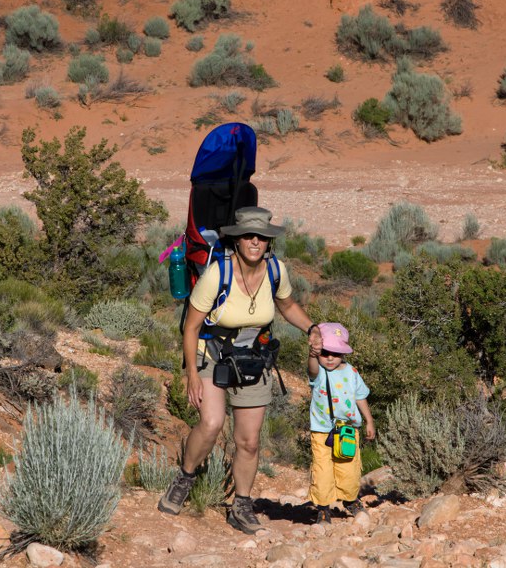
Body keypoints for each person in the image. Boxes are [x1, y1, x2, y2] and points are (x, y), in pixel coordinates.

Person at [158, 206, 323, 534]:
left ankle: (242, 506)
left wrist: (312, 328)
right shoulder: (217, 275)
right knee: (211, 423)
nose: (255, 242)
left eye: (261, 236)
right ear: (236, 239)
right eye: (248, 235)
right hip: (213, 356)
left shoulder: (276, 271)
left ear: (268, 241)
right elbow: (190, 327)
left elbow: (287, 305)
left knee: (248, 441)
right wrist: (192, 373)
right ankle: (185, 477)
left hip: (253, 359)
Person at [307, 322, 375, 524]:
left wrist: (369, 420)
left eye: (335, 353)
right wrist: (312, 354)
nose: (329, 358)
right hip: (322, 432)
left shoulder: (352, 373)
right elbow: (311, 369)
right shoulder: (319, 372)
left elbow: (360, 397)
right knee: (322, 471)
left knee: (348, 468)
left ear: (343, 354)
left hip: (347, 430)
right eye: (325, 352)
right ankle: (323, 508)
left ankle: (350, 500)